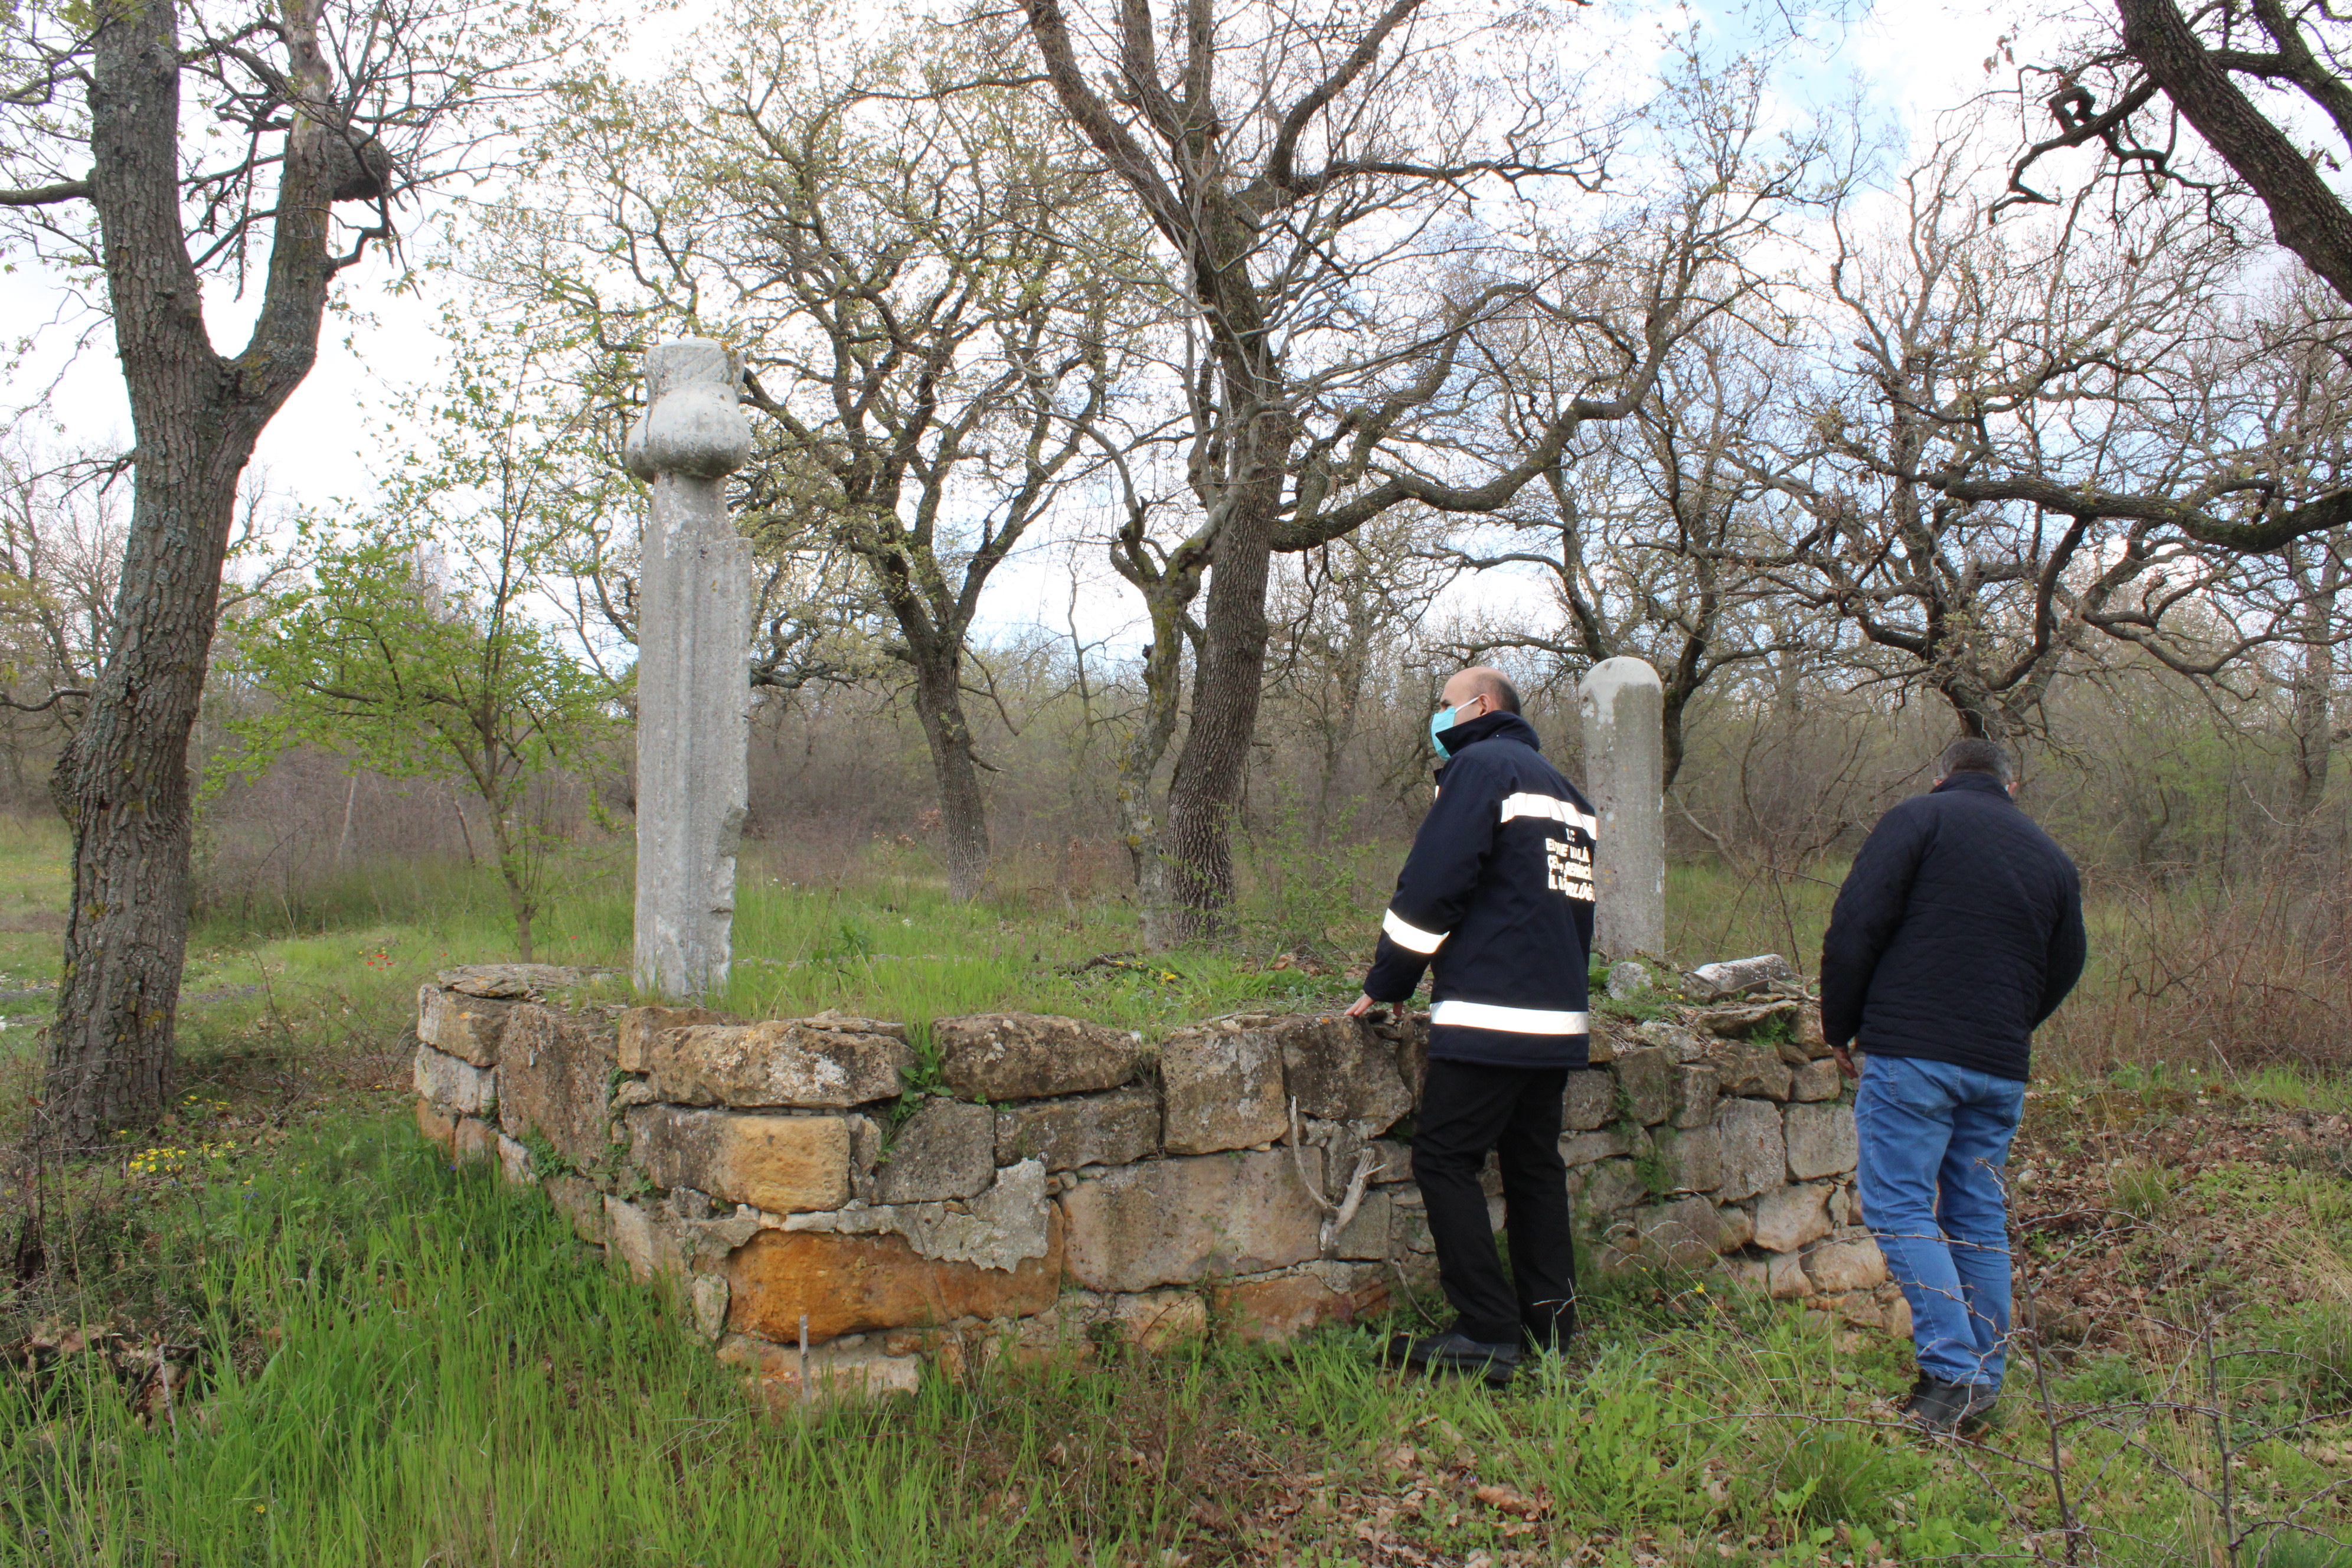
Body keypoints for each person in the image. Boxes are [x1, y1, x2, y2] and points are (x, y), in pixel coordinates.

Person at [1820, 737, 2086, 1435]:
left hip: (1913, 1050)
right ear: (2012, 784)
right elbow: (2068, 962)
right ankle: (1984, 1378)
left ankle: (1952, 1372)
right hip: (1999, 1064)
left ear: (1940, 776)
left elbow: (1856, 923)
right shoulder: (2052, 859)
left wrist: (1839, 1025)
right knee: (1975, 1216)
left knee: (1899, 1206)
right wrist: (2010, 1024)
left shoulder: (1919, 820)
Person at [1345, 665, 1598, 1387]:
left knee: (1445, 1158)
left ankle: (1486, 1331)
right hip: (1556, 1019)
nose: (1440, 717)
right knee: (1533, 1166)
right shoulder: (1568, 793)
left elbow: (1433, 886)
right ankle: (1552, 1324)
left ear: (1480, 708)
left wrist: (1387, 981)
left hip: (1492, 1013)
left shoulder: (1480, 766)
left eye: (1446, 706)